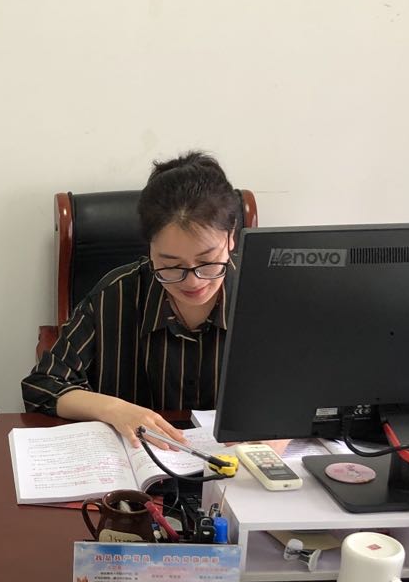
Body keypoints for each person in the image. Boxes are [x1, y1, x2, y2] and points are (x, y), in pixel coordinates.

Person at [22, 151, 243, 446]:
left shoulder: (265, 295)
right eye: (171, 265)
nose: (193, 281)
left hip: (239, 469)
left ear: (231, 236)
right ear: (149, 247)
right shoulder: (115, 296)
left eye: (207, 261)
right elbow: (42, 386)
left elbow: (303, 390)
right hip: (136, 466)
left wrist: (278, 434)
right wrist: (114, 409)